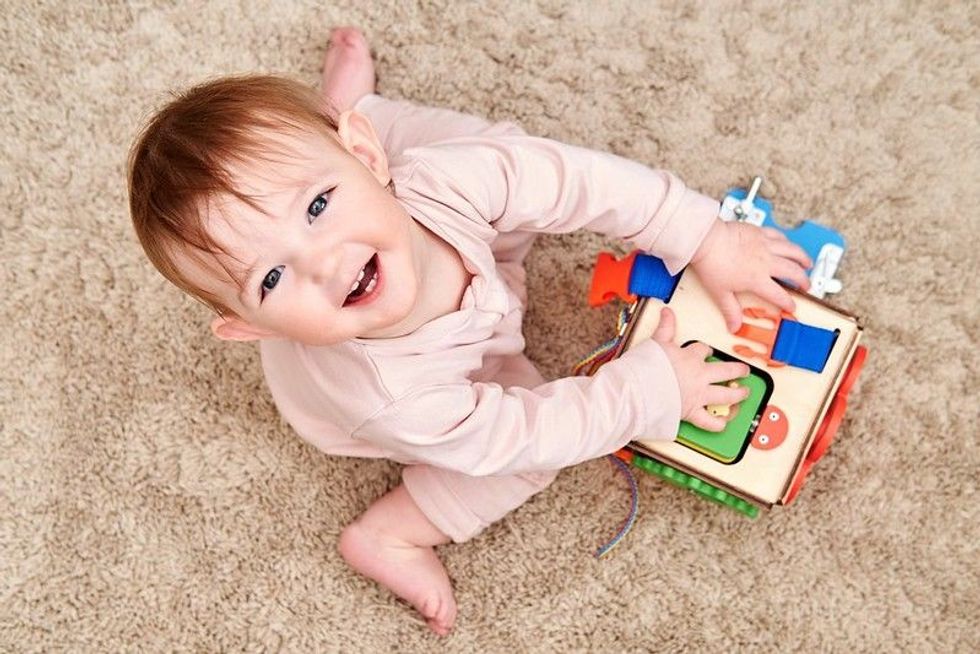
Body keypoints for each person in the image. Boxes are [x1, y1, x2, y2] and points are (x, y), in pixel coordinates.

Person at [127, 27, 812, 635]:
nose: (324, 262)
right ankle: (389, 534)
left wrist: (699, 234)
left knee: (508, 156)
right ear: (251, 327)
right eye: (271, 280)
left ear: (367, 162)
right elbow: (518, 435)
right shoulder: (390, 396)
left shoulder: (436, 181)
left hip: (463, 239)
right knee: (527, 461)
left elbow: (574, 177)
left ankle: (355, 113)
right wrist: (647, 392)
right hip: (467, 379)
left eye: (317, 205)